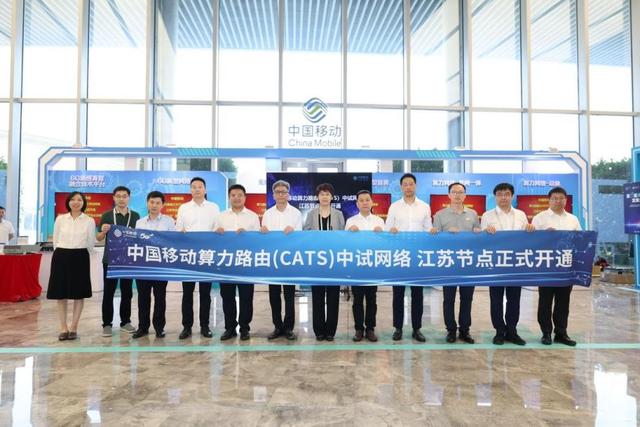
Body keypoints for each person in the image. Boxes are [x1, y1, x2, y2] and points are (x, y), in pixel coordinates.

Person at [481, 183, 535, 346]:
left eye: (506, 194)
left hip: (515, 263)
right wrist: (485, 231)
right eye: (499, 194)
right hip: (496, 264)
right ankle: (499, 331)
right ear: (495, 197)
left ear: (512, 196)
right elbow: (482, 239)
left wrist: (530, 228)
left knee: (514, 299)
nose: (503, 197)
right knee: (496, 299)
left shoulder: (521, 215)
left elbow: (526, 237)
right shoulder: (487, 216)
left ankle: (512, 331)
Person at [431, 182, 481, 344]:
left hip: (468, 263)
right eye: (454, 192)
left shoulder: (473, 214)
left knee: (467, 298)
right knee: (449, 299)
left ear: (465, 195)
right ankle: (451, 330)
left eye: (460, 192)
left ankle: (465, 330)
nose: (457, 195)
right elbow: (435, 240)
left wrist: (478, 233)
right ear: (449, 195)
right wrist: (444, 234)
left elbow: (478, 238)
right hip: (449, 263)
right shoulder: (440, 215)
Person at [385, 173, 432, 342]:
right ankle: (398, 328)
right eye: (405, 184)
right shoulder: (394, 207)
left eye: (411, 184)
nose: (408, 187)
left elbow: (428, 229)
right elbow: (387, 228)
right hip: (399, 255)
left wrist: (432, 231)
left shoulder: (425, 207)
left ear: (415, 186)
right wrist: (391, 231)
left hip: (418, 255)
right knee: (398, 294)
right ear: (401, 187)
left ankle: (416, 328)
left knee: (417, 294)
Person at [532, 186, 581, 347]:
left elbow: (580, 240)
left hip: (565, 267)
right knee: (545, 301)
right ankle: (546, 332)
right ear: (549, 200)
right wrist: (544, 235)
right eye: (554, 198)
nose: (558, 201)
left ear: (566, 200)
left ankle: (561, 333)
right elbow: (531, 242)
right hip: (546, 267)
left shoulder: (573, 219)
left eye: (561, 198)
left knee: (563, 302)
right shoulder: (540, 218)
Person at [175, 177, 220, 339]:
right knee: (187, 293)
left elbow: (217, 228)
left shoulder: (214, 208)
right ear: (190, 190)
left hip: (206, 255)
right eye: (193, 187)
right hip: (189, 255)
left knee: (205, 293)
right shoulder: (184, 208)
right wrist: (180, 233)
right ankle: (186, 327)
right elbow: (178, 229)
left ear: (205, 190)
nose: (197, 189)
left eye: (200, 187)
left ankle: (205, 326)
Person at [47, 192, 95, 341]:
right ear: (68, 202)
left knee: (78, 294)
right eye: (73, 199)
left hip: (80, 257)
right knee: (60, 293)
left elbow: (91, 243)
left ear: (83, 203)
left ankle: (74, 327)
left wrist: (80, 253)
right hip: (61, 256)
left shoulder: (89, 220)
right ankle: (63, 328)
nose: (76, 202)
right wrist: (62, 253)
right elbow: (55, 240)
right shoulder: (60, 219)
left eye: (79, 200)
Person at [215, 184, 261, 341]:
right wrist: (217, 232)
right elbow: (212, 238)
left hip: (245, 262)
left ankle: (245, 328)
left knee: (246, 297)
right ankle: (230, 328)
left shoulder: (252, 217)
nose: (236, 198)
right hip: (226, 263)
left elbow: (257, 240)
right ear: (229, 198)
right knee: (227, 296)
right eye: (233, 195)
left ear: (245, 197)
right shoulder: (221, 217)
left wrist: (248, 235)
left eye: (240, 195)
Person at [261, 180, 302, 341]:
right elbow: (265, 238)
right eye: (277, 192)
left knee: (290, 295)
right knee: (274, 295)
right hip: (272, 259)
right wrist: (263, 231)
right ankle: (277, 326)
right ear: (273, 195)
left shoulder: (296, 213)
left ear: (288, 194)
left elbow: (300, 237)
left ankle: (289, 328)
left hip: (290, 259)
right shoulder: (268, 214)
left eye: (283, 192)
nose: (280, 194)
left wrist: (294, 231)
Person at [303, 183, 345, 341]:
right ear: (318, 197)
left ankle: (331, 331)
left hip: (334, 261)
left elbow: (343, 236)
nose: (325, 197)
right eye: (322, 194)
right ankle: (319, 331)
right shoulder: (311, 214)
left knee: (333, 296)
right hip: (317, 260)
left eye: (327, 194)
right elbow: (305, 234)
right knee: (317, 296)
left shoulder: (339, 214)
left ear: (332, 197)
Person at [96, 186, 140, 337]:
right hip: (110, 260)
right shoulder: (107, 215)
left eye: (124, 196)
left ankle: (125, 322)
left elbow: (139, 237)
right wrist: (103, 231)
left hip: (128, 260)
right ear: (114, 197)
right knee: (108, 292)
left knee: (127, 292)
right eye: (118, 196)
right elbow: (98, 238)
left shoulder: (135, 216)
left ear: (129, 198)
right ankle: (107, 324)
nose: (121, 199)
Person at [133, 191, 176, 339]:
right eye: (152, 202)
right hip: (143, 266)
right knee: (143, 298)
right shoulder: (140, 222)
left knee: (160, 298)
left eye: (158, 203)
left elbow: (172, 242)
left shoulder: (169, 222)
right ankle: (142, 327)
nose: (154, 205)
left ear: (163, 205)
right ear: (147, 203)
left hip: (161, 267)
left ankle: (159, 327)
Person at [345, 190, 384, 342]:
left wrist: (382, 234)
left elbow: (386, 244)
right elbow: (345, 244)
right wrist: (350, 233)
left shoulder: (379, 221)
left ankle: (370, 329)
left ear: (372, 202)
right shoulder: (351, 221)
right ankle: (358, 329)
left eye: (367, 200)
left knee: (372, 299)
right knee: (357, 300)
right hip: (357, 266)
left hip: (373, 265)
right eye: (361, 200)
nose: (365, 202)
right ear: (357, 204)